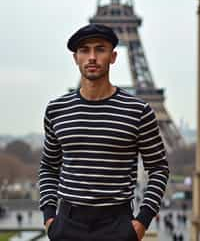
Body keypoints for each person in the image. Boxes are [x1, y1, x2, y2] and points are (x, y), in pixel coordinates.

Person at [39, 23, 169, 241]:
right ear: (75, 58)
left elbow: (158, 168)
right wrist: (50, 218)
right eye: (84, 50)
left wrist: (142, 222)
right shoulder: (56, 110)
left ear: (113, 56)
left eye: (100, 49)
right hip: (67, 224)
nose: (92, 57)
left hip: (117, 225)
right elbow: (49, 167)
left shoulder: (138, 111)